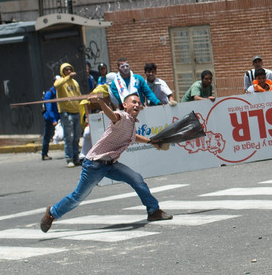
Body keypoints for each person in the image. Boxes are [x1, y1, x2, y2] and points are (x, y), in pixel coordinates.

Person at [40, 92, 174, 233]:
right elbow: (112, 115)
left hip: (110, 165)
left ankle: (153, 211)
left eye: (138, 103)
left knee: (137, 179)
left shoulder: (132, 124)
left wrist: (151, 142)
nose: (137, 105)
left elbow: (133, 137)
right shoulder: (121, 117)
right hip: (94, 165)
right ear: (125, 105)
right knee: (78, 197)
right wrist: (100, 102)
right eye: (133, 102)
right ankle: (52, 213)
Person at [55, 62, 84, 168]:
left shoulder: (75, 83)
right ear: (62, 71)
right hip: (66, 113)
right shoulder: (61, 81)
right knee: (69, 137)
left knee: (76, 137)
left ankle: (76, 158)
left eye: (70, 69)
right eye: (66, 70)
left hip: (76, 112)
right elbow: (56, 85)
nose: (69, 71)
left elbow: (79, 96)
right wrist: (67, 77)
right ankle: (69, 158)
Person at [41, 82, 59, 161]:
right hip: (50, 119)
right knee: (47, 136)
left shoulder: (59, 92)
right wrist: (53, 120)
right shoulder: (49, 93)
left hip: (57, 118)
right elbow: (49, 108)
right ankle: (44, 153)